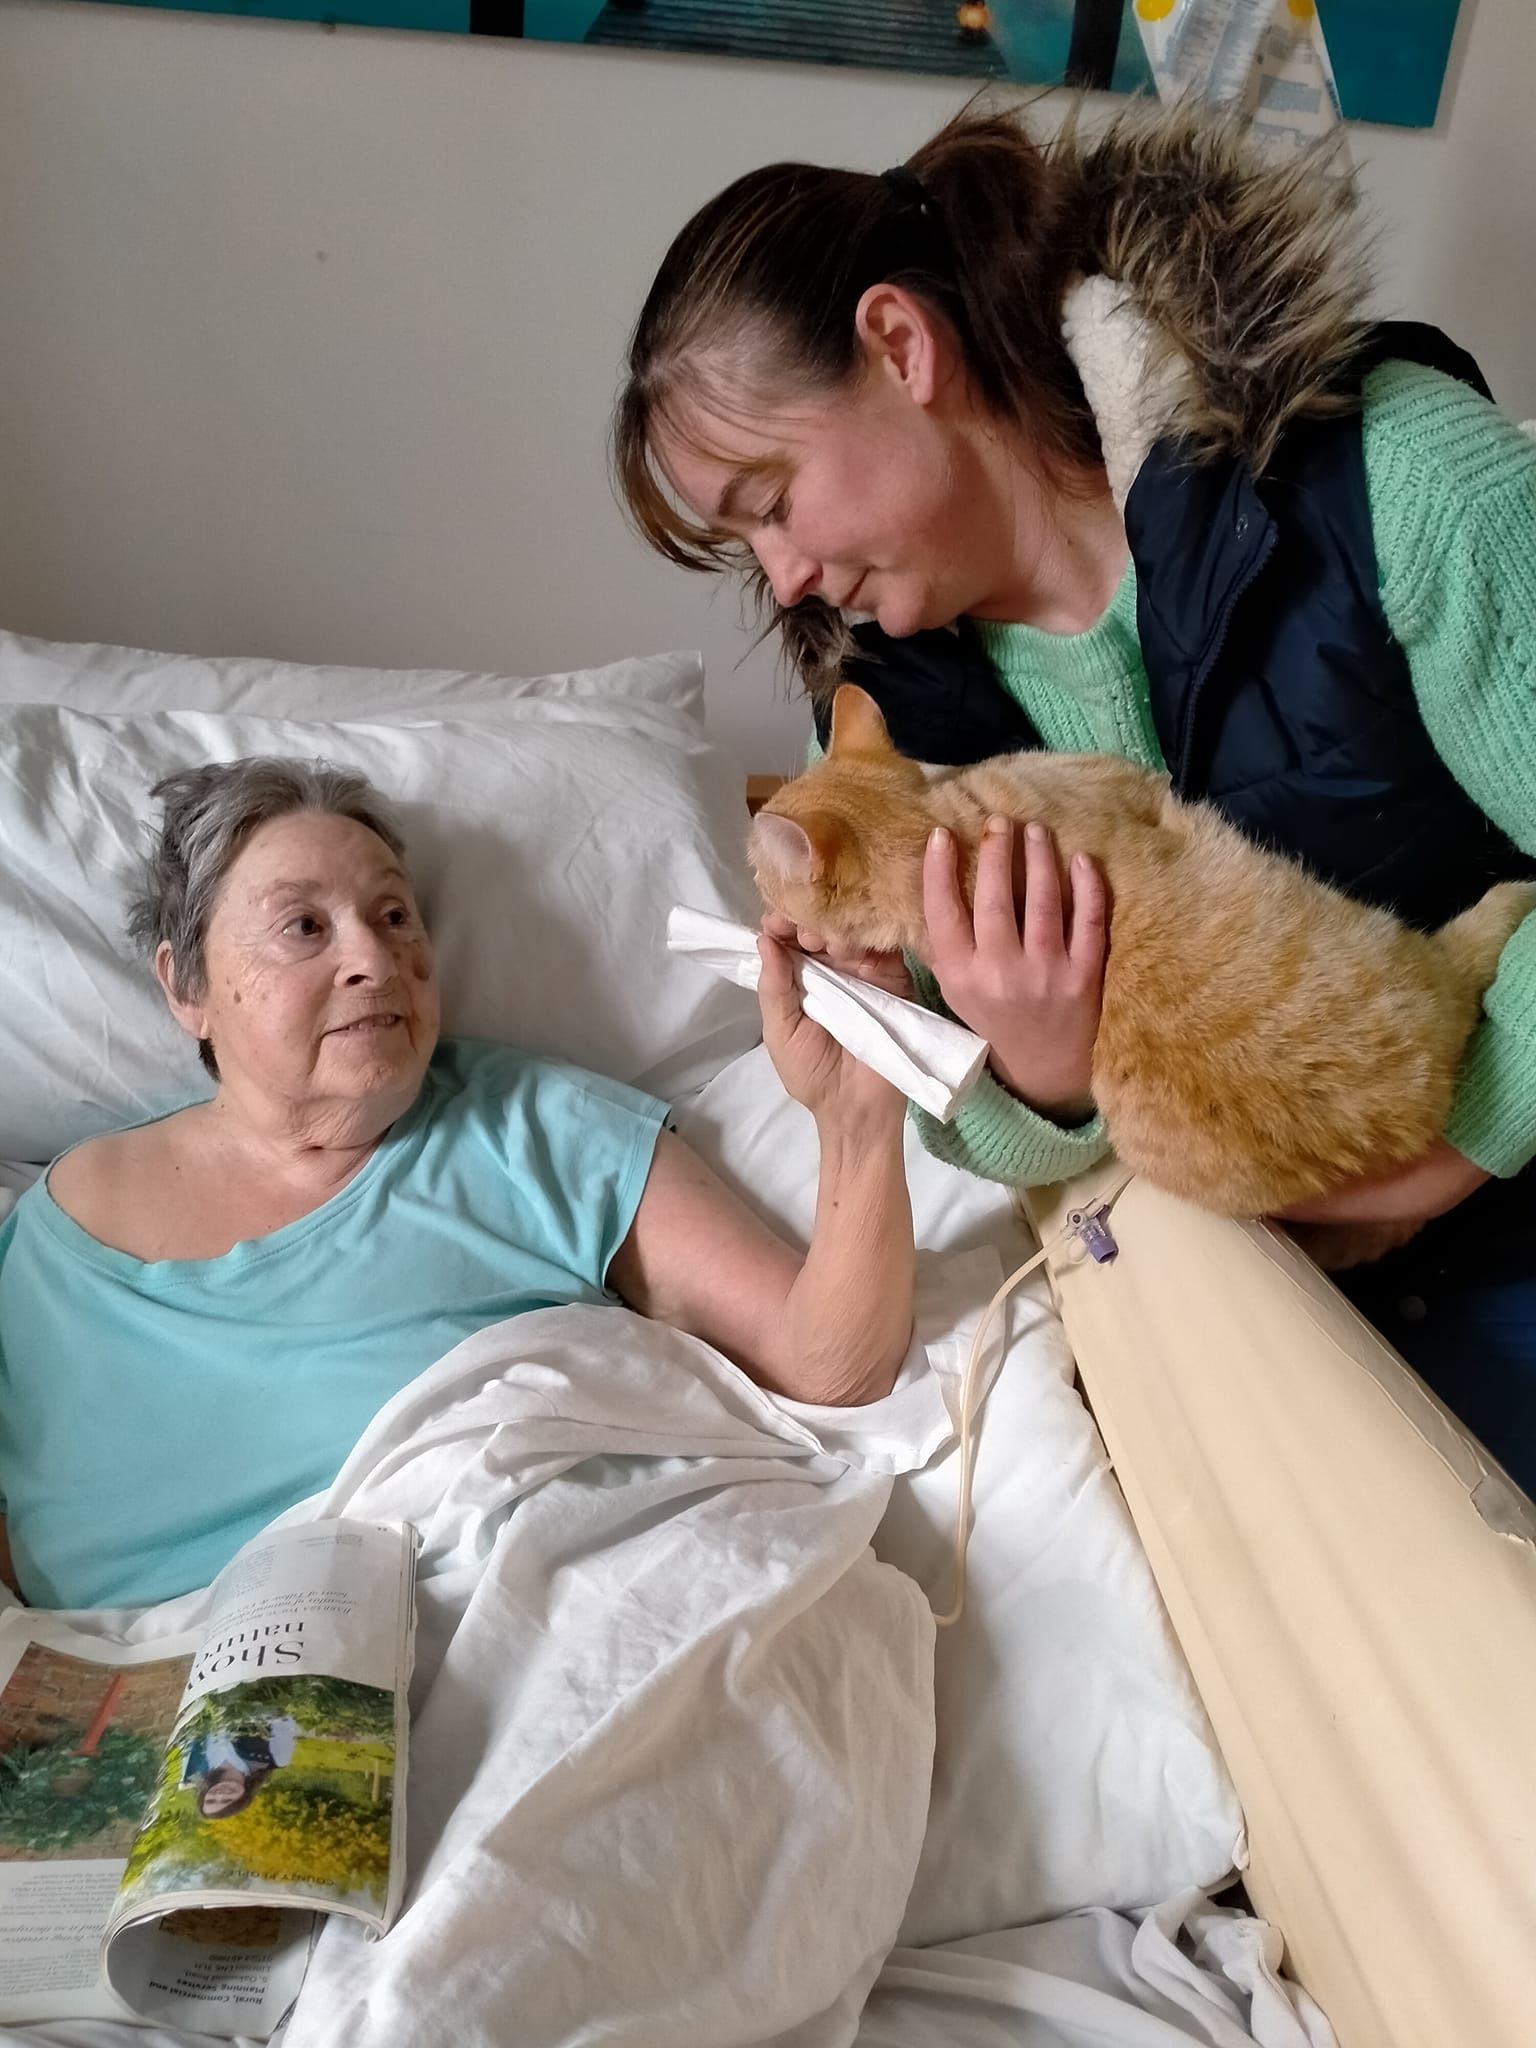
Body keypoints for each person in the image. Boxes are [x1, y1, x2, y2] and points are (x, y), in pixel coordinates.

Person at [612, 101, 1536, 1492]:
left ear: (899, 345)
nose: (784, 578)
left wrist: (1457, 1137)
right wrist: (1043, 1074)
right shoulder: (883, 730)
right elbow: (959, 1099)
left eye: (771, 497)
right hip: (1246, 1309)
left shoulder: (1391, 477)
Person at [0, 759, 915, 1611]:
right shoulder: (52, 1237)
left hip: (516, 1627)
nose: (375, 957)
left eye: (395, 915)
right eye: (304, 927)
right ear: (186, 985)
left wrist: (859, 1120)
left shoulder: (538, 1129)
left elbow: (828, 1365)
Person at [183, 1713, 300, 1819]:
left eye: (211, 1800)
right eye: (227, 1800)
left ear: (204, 1794)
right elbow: (283, 1717)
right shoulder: (275, 1758)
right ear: (243, 1798)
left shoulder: (194, 1766)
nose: (219, 1795)